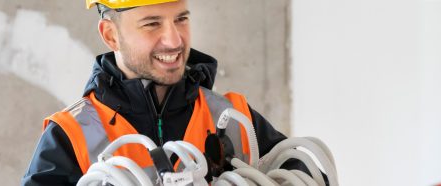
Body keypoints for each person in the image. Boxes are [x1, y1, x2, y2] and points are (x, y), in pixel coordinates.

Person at [22, 0, 315, 185]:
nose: (174, 39)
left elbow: (304, 177)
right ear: (111, 34)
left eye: (181, 19)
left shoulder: (233, 118)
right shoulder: (72, 135)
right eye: (152, 24)